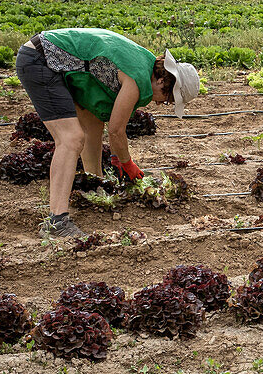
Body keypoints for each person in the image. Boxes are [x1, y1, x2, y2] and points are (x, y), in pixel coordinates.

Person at [15, 28, 200, 239]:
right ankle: (57, 221)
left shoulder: (144, 64)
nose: (161, 103)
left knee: (93, 124)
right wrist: (127, 163)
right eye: (168, 99)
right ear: (162, 81)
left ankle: (94, 185)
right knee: (71, 139)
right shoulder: (138, 79)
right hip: (42, 60)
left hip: (50, 59)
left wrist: (115, 157)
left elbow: (109, 122)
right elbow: (116, 129)